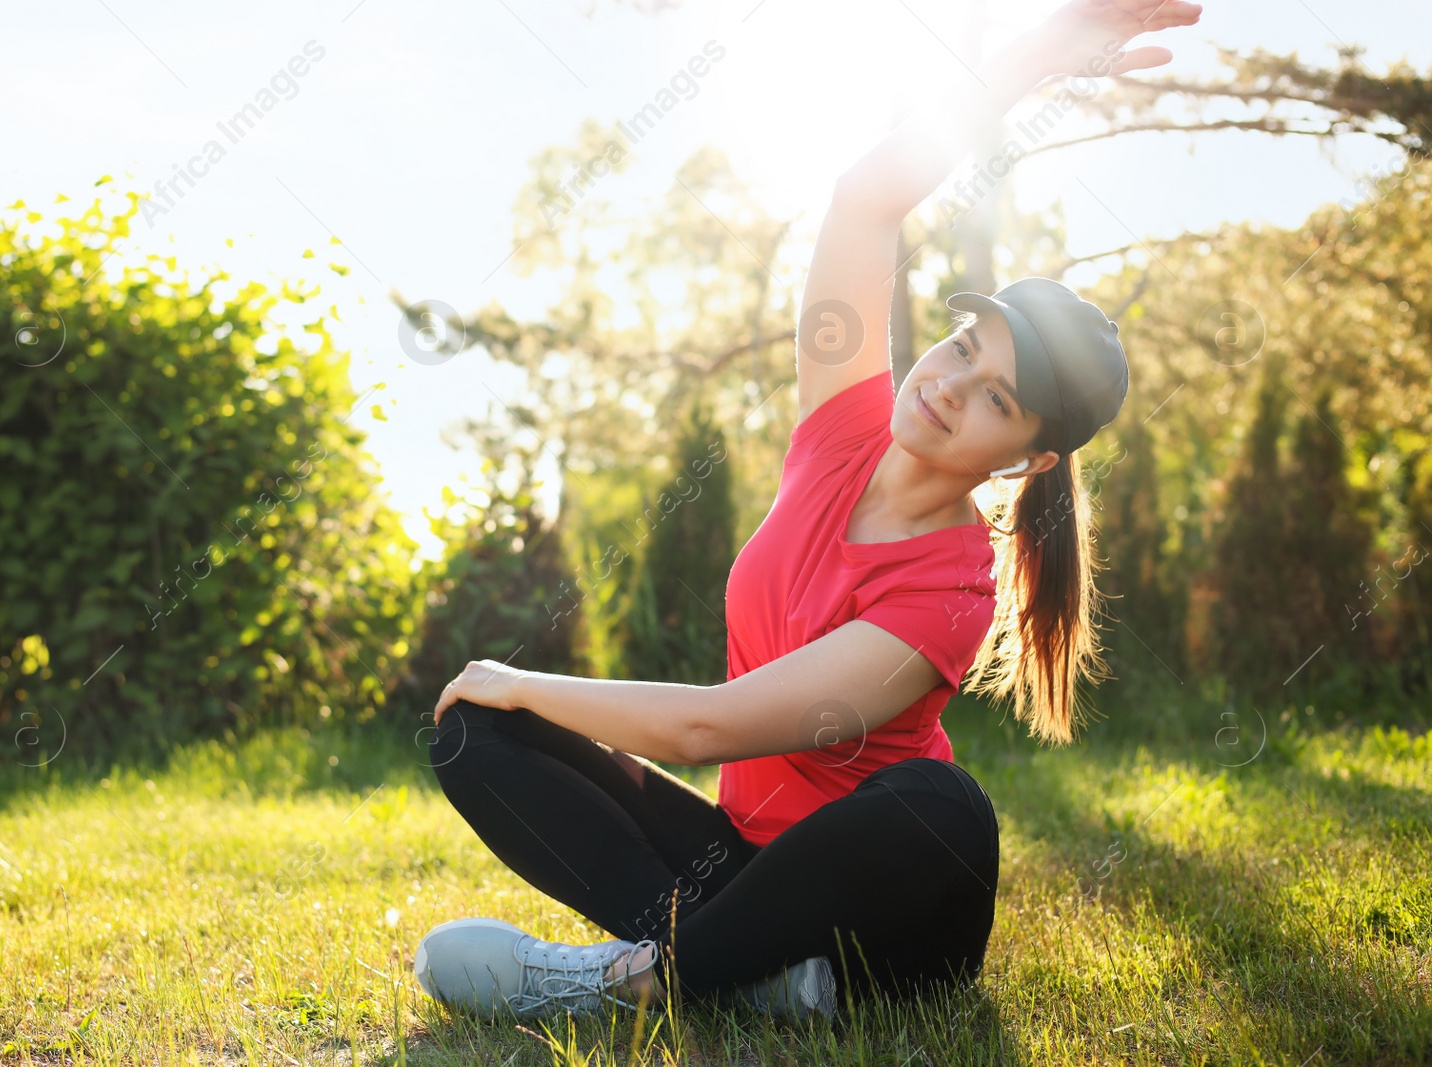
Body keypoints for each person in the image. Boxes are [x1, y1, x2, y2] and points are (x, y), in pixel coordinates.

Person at [412, 0, 1203, 1025]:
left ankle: (629, 981)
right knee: (478, 726)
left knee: (944, 807)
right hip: (735, 872)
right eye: (964, 348)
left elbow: (710, 724)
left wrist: (529, 673)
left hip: (880, 926)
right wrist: (1030, 63)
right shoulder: (843, 423)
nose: (952, 387)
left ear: (1031, 455)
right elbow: (865, 202)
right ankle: (740, 975)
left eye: (997, 400)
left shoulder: (955, 587)